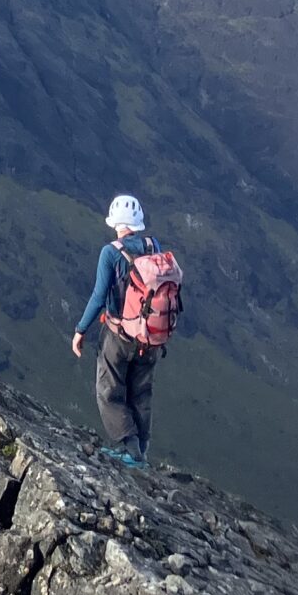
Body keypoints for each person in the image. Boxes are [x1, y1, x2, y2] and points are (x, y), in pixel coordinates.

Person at [71, 192, 177, 467]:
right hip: (152, 337)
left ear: (115, 222)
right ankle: (142, 448)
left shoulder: (110, 253)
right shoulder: (154, 246)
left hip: (119, 335)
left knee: (109, 390)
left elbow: (98, 296)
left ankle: (130, 449)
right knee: (141, 391)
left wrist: (81, 330)